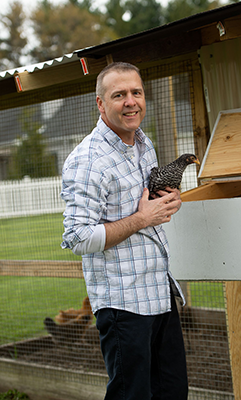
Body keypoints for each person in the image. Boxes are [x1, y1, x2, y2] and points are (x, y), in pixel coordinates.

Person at [61, 62, 188, 400]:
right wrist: (141, 219)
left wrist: (167, 202)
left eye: (136, 92)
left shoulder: (144, 146)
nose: (130, 101)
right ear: (101, 104)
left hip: (158, 293)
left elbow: (147, 205)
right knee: (132, 395)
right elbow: (77, 237)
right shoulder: (88, 161)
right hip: (123, 304)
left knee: (172, 392)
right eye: (119, 95)